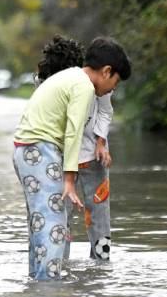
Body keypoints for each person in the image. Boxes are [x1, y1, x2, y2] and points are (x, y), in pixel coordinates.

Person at [12, 36, 130, 280]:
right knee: (53, 221)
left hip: (27, 149)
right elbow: (74, 131)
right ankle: (50, 286)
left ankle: (38, 280)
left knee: (40, 221)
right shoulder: (84, 86)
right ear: (107, 71)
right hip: (40, 150)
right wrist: (69, 179)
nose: (113, 89)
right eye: (115, 82)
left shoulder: (72, 77)